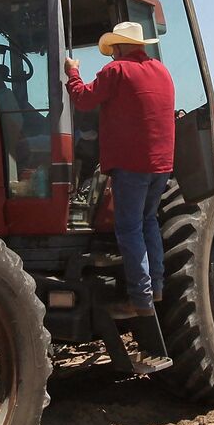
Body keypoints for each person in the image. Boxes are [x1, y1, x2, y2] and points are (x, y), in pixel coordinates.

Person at [65, 21, 175, 319]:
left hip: (131, 164)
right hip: (161, 165)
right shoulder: (162, 72)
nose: (111, 54)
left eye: (113, 48)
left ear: (119, 46)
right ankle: (157, 287)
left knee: (128, 229)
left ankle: (139, 299)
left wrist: (72, 72)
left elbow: (84, 100)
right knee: (148, 221)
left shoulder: (116, 71)